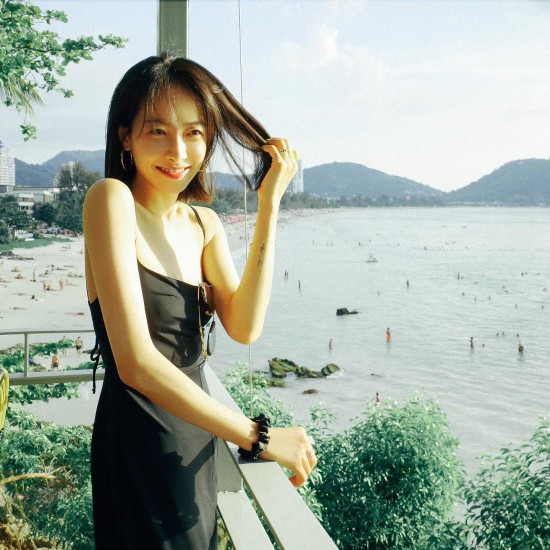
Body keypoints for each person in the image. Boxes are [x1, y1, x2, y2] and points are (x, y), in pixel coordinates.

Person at [83, 54, 317, 549]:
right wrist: (258, 435)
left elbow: (245, 326)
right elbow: (136, 363)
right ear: (125, 136)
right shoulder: (110, 201)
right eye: (157, 131)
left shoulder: (203, 224)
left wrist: (269, 204)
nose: (178, 150)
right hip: (138, 444)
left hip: (196, 442)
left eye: (193, 132)